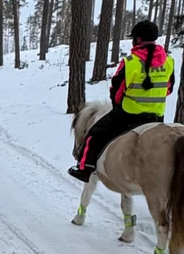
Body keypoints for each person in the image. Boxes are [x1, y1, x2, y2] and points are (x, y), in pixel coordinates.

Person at [69, 20, 175, 181]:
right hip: (156, 116)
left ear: (138, 40)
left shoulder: (130, 62)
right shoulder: (168, 62)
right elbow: (169, 89)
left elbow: (117, 90)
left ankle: (85, 168)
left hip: (129, 114)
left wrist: (118, 105)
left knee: (94, 134)